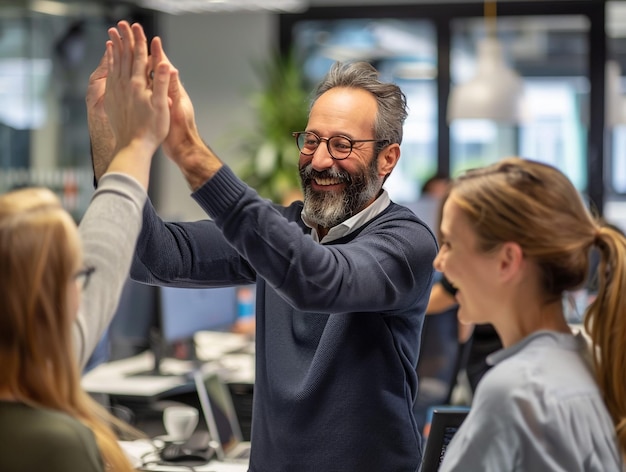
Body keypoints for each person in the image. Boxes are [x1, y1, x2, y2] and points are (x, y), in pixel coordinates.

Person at [88, 21, 438, 471]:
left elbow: (319, 279)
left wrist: (192, 153)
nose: (320, 160)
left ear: (387, 158)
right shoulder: (276, 231)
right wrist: (107, 133)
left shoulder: (404, 243)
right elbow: (149, 257)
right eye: (311, 141)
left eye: (342, 144)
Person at [0, 22, 172, 472]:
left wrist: (124, 139)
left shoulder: (40, 364)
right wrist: (165, 142)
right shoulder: (52, 442)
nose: (85, 288)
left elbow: (103, 250)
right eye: (73, 275)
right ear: (42, 301)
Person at [435, 157, 625, 471]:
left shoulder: (517, 390)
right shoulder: (594, 363)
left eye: (450, 244)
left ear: (507, 261)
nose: (439, 263)